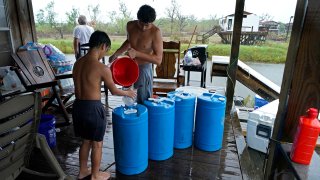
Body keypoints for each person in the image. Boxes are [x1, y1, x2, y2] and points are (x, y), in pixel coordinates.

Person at [72, 30, 136, 180]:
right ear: (103, 46)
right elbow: (114, 91)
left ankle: (82, 171)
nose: (105, 53)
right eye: (106, 50)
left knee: (85, 140)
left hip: (78, 107)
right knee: (97, 144)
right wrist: (128, 93)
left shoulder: (77, 63)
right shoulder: (101, 67)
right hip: (92, 109)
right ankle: (95, 175)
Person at [109, 4, 163, 104]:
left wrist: (137, 53)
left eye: (147, 25)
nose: (143, 28)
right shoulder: (130, 25)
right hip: (129, 67)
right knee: (127, 99)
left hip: (144, 68)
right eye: (141, 23)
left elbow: (158, 60)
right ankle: (130, 118)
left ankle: (144, 119)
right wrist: (117, 53)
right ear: (138, 18)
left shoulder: (156, 32)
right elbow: (129, 41)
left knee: (143, 100)